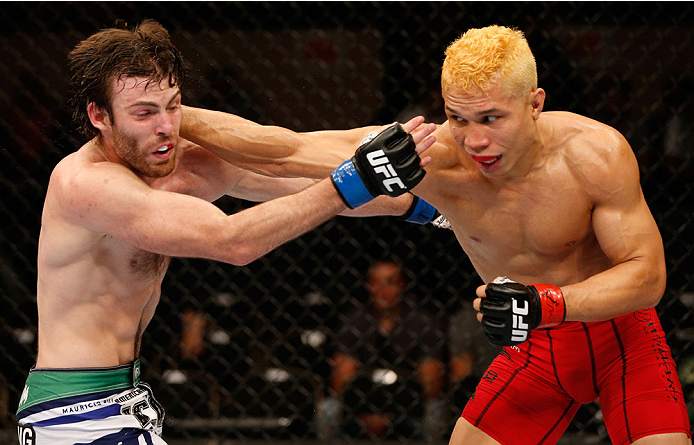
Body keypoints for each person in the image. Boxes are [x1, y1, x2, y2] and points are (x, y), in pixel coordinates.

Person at [181, 25, 691, 445]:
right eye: (458, 117)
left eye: (491, 118)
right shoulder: (433, 155)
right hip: (536, 352)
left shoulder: (594, 155)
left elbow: (647, 276)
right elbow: (286, 151)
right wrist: (172, 116)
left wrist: (546, 303)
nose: (475, 139)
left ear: (535, 103)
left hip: (623, 341)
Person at [14, 20, 438, 444]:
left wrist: (428, 208)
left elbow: (295, 176)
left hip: (123, 396)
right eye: (144, 113)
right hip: (74, 412)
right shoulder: (84, 184)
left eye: (174, 106)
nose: (166, 126)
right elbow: (233, 242)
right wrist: (353, 180)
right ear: (99, 116)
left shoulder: (178, 159)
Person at [326, 259, 444, 440]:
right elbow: (341, 381)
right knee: (328, 410)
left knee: (435, 411)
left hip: (409, 407)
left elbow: (430, 383)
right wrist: (366, 414)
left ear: (402, 285)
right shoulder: (354, 321)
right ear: (368, 286)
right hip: (360, 407)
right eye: (376, 283)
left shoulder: (422, 322)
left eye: (390, 283)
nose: (383, 291)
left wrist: (392, 413)